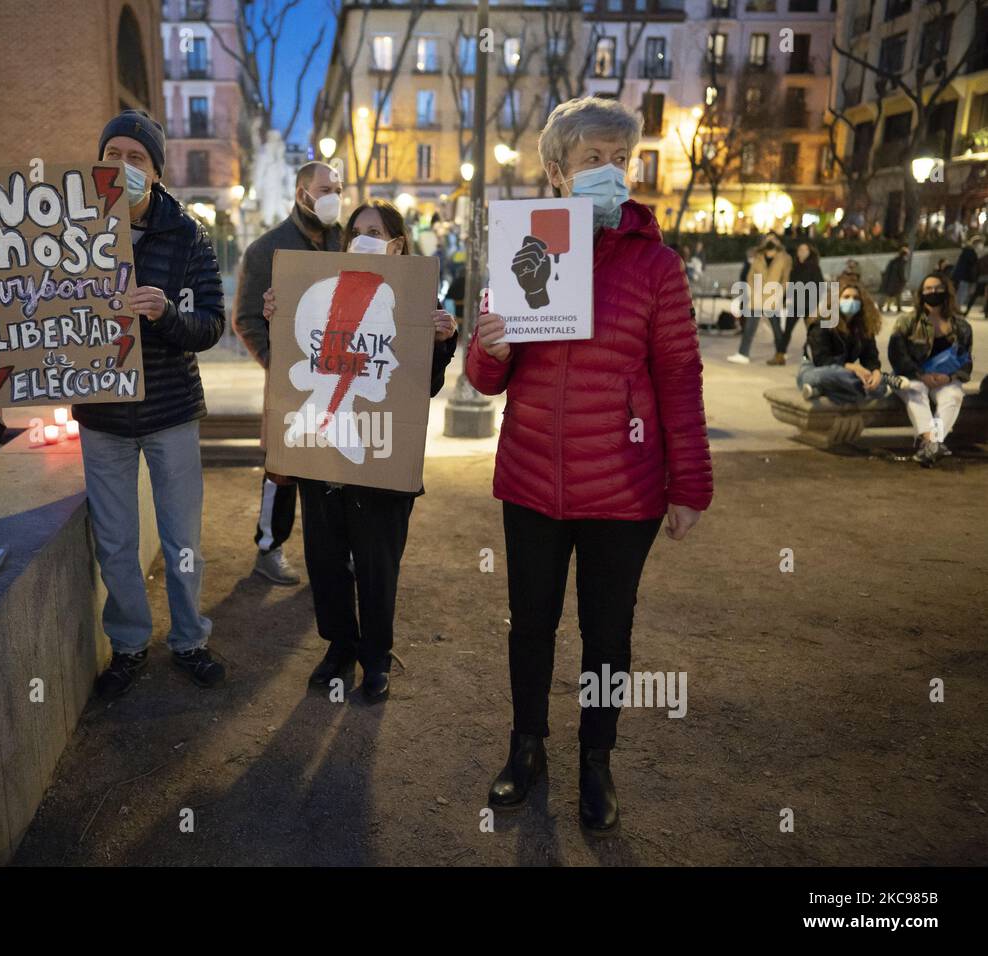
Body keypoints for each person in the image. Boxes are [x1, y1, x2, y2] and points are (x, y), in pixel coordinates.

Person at [467, 97, 712, 832]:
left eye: (620, 159)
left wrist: (689, 483)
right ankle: (526, 747)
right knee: (530, 624)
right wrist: (491, 346)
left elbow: (679, 374)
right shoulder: (525, 247)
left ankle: (597, 761)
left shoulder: (657, 264)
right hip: (533, 479)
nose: (610, 172)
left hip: (625, 486)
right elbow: (486, 378)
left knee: (608, 633)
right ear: (555, 172)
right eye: (592, 159)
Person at [0, 109, 227, 695]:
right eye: (112, 155)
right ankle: (128, 645)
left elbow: (212, 326)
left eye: (136, 158)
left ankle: (190, 639)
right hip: (101, 418)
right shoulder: (64, 229)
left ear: (156, 171)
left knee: (182, 539)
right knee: (116, 540)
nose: (122, 166)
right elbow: (18, 299)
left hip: (171, 411)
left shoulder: (188, 236)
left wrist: (167, 314)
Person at [260, 199, 458, 702]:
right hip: (323, 458)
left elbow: (424, 387)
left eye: (375, 230)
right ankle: (338, 648)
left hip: (383, 462)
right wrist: (276, 318)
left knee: (376, 565)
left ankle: (375, 655)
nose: (363, 238)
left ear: (397, 243)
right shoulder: (320, 291)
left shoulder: (413, 303)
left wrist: (440, 343)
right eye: (356, 231)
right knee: (326, 561)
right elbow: (293, 359)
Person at [231, 161, 343, 586]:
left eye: (338, 187)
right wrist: (278, 368)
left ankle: (336, 552)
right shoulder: (266, 250)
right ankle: (268, 547)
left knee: (336, 464)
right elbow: (244, 317)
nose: (333, 194)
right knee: (282, 466)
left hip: (340, 380)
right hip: (291, 379)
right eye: (324, 188)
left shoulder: (345, 242)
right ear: (301, 194)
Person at [888, 272, 975, 466]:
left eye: (937, 288)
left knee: (953, 396)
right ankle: (932, 442)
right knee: (915, 390)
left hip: (944, 379)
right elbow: (897, 355)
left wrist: (950, 377)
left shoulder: (961, 326)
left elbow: (966, 360)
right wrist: (921, 375)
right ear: (921, 293)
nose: (932, 292)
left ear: (946, 292)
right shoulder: (908, 321)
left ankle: (930, 445)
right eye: (928, 289)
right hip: (913, 376)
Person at [798, 281, 906, 403]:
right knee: (830, 375)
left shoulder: (862, 327)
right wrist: (852, 367)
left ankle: (820, 391)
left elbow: (870, 357)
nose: (851, 301)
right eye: (846, 297)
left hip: (845, 373)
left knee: (855, 380)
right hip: (815, 370)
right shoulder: (822, 324)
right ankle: (883, 384)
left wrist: (875, 372)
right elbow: (821, 360)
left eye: (856, 298)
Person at [729, 234, 790, 364]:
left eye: (773, 239)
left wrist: (780, 293)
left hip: (772, 297)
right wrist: (751, 290)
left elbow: (786, 279)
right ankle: (743, 354)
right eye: (768, 239)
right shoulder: (759, 257)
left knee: (776, 328)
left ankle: (781, 353)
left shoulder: (784, 258)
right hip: (757, 297)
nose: (770, 241)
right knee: (749, 327)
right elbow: (750, 276)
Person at [768, 241, 824, 365]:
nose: (802, 252)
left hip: (809, 305)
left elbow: (820, 286)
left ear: (809, 252)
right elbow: (790, 285)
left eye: (805, 250)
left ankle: (815, 356)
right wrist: (784, 299)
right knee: (787, 331)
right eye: (800, 250)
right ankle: (780, 355)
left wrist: (816, 305)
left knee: (813, 332)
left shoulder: (814, 267)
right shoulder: (795, 267)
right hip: (795, 305)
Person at [952, 235, 985, 310]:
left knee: (960, 295)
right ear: (976, 243)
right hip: (964, 278)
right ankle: (957, 310)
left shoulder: (967, 251)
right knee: (961, 295)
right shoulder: (970, 252)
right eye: (981, 243)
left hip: (962, 277)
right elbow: (971, 266)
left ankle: (957, 310)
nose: (981, 245)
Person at [880, 246, 910, 313]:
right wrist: (903, 280)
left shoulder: (894, 260)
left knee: (890, 295)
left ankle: (888, 307)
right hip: (897, 282)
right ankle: (898, 308)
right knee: (897, 295)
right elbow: (901, 272)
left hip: (890, 281)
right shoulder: (901, 261)